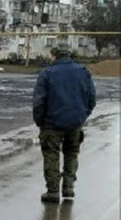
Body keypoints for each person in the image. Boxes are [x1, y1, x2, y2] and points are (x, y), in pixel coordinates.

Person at [32, 47, 96, 203]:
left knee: (51, 154)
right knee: (72, 153)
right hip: (75, 123)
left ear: (54, 56)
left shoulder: (47, 74)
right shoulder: (83, 72)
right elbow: (91, 98)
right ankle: (68, 187)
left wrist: (40, 122)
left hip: (52, 124)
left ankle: (53, 191)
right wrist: (82, 116)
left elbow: (39, 102)